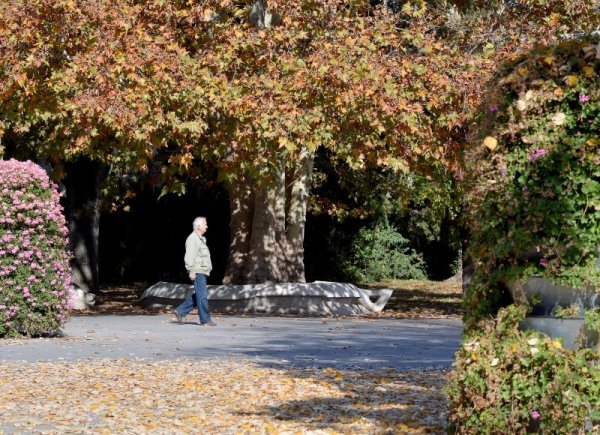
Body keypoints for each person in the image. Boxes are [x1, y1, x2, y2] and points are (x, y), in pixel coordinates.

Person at [172, 216, 216, 326]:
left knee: (199, 295)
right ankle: (205, 319)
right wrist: (191, 270)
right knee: (202, 295)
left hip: (203, 270)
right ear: (198, 226)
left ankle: (180, 311)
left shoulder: (201, 239)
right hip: (197, 271)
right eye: (205, 224)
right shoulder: (193, 239)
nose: (207, 226)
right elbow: (189, 257)